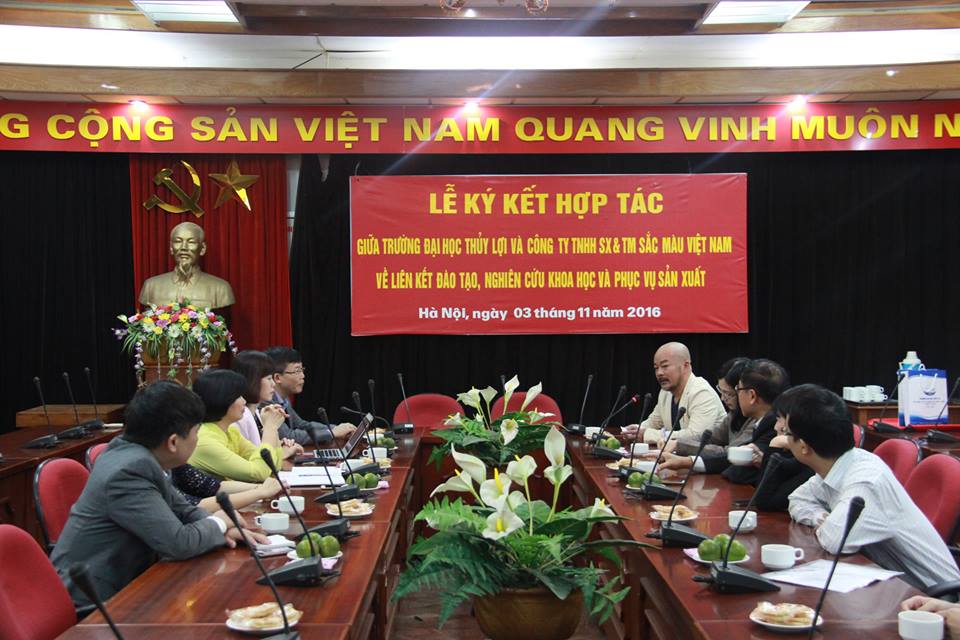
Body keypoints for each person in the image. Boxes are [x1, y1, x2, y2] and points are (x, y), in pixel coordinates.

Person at [50, 381, 268, 608]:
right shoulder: (128, 471)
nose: (197, 440)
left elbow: (183, 510)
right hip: (95, 602)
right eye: (196, 432)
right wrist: (219, 523)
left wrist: (225, 529)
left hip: (133, 583)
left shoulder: (138, 455)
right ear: (173, 442)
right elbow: (179, 543)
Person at [784, 384, 960, 590]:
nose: (783, 436)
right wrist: (821, 517)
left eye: (787, 433)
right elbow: (797, 500)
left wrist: (828, 525)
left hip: (933, 595)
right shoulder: (838, 464)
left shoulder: (865, 479)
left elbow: (834, 541)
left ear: (804, 447)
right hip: (889, 581)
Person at [188, 369, 298, 482]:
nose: (244, 401)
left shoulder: (231, 431)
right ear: (221, 399)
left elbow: (272, 466)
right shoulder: (205, 441)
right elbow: (258, 473)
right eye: (238, 396)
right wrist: (270, 427)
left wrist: (272, 429)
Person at [656, 356, 757, 476]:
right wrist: (676, 442)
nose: (722, 398)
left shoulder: (757, 420)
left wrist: (681, 446)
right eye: (721, 391)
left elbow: (728, 454)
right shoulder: (734, 414)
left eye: (728, 394)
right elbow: (711, 438)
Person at [622, 342, 725, 447]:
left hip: (708, 455)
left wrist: (648, 435)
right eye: (656, 368)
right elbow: (654, 422)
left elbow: (696, 436)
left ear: (685, 366)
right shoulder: (665, 393)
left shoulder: (702, 393)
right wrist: (635, 430)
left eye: (665, 366)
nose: (659, 373)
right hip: (676, 454)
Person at [265, 346, 357, 446]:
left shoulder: (283, 398)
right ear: (277, 378)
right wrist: (332, 433)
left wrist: (336, 428)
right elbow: (289, 435)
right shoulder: (266, 401)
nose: (303, 376)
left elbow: (302, 424)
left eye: (302, 370)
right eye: (297, 371)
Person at [138, 221, 235, 310]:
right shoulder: (151, 286)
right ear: (171, 247)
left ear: (202, 248)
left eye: (191, 242)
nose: (184, 247)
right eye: (178, 241)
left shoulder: (221, 288)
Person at [232, 350, 301, 454]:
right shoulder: (242, 416)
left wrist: (280, 444)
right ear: (253, 380)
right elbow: (260, 458)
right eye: (269, 378)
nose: (273, 384)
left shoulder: (255, 412)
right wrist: (283, 452)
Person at [170, 464, 283, 513]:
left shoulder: (174, 462)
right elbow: (193, 506)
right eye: (195, 432)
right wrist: (259, 493)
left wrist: (261, 488)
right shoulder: (206, 441)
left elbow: (212, 486)